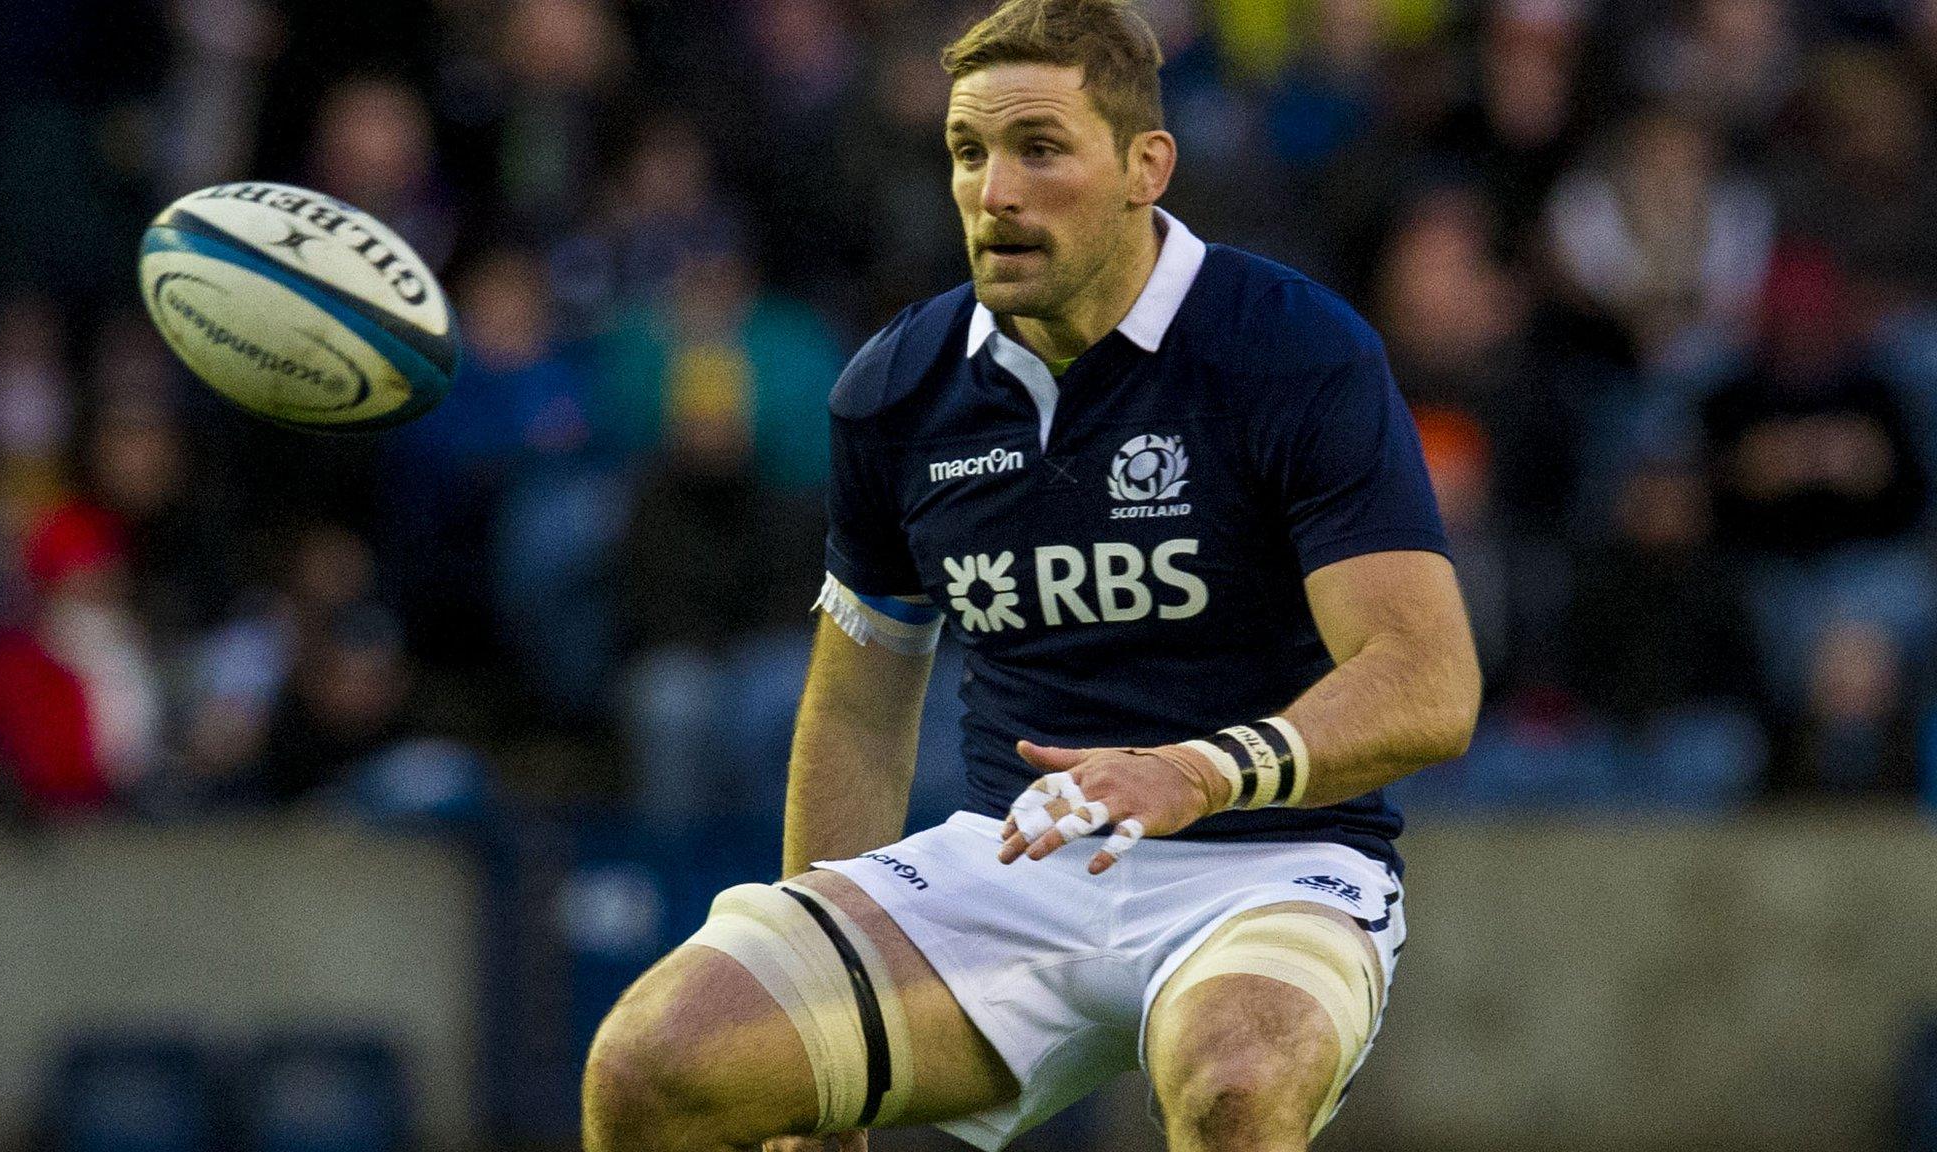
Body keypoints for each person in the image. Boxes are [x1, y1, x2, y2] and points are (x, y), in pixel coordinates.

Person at [581, 3, 1481, 1151]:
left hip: (1274, 860)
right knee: (649, 1068)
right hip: (1012, 856)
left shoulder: (1291, 348)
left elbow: (1425, 680)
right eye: (968, 152)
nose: (993, 190)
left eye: (1038, 148)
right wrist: (822, 1081)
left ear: (1143, 167)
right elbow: (859, 708)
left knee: (1237, 1090)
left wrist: (1196, 772)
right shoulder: (896, 388)